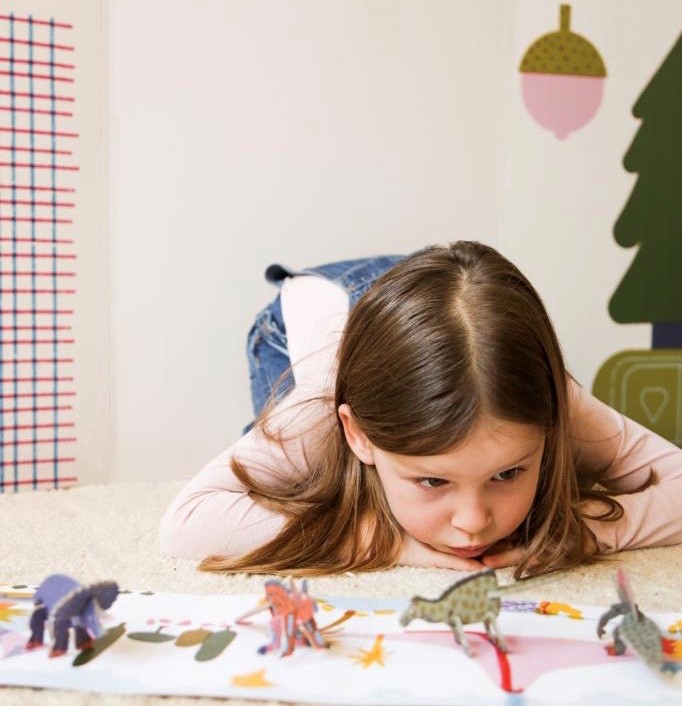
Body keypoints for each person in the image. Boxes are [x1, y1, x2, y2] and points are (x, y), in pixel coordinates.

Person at [160, 241, 682, 578]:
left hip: (433, 303)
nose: (474, 524)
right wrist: (382, 539)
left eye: (507, 473)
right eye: (432, 481)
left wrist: (581, 529)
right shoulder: (324, 408)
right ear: (359, 434)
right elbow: (186, 523)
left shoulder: (550, 399)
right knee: (301, 482)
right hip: (308, 315)